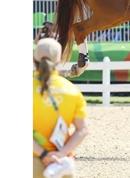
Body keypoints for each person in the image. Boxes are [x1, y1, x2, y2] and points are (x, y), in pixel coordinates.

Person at [33, 38, 89, 178]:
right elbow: (83, 129)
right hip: (62, 165)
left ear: (34, 60)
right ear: (58, 62)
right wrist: (61, 154)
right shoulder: (72, 90)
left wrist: (44, 154)